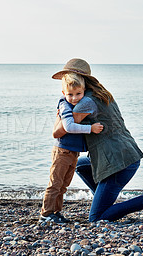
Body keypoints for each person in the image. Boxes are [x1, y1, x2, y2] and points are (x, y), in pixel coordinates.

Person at [52, 58, 143, 222]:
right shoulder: (103, 94)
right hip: (127, 154)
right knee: (80, 164)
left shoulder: (85, 103)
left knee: (96, 218)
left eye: (69, 77)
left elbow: (58, 132)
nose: (67, 81)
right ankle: (103, 197)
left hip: (117, 164)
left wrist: (61, 108)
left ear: (81, 80)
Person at [40, 72, 104, 224]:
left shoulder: (80, 104)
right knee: (55, 184)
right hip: (62, 151)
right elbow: (68, 126)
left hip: (73, 152)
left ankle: (56, 212)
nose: (74, 98)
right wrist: (90, 128)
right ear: (64, 93)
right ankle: (45, 214)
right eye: (70, 94)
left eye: (78, 94)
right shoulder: (64, 104)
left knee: (63, 185)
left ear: (84, 92)